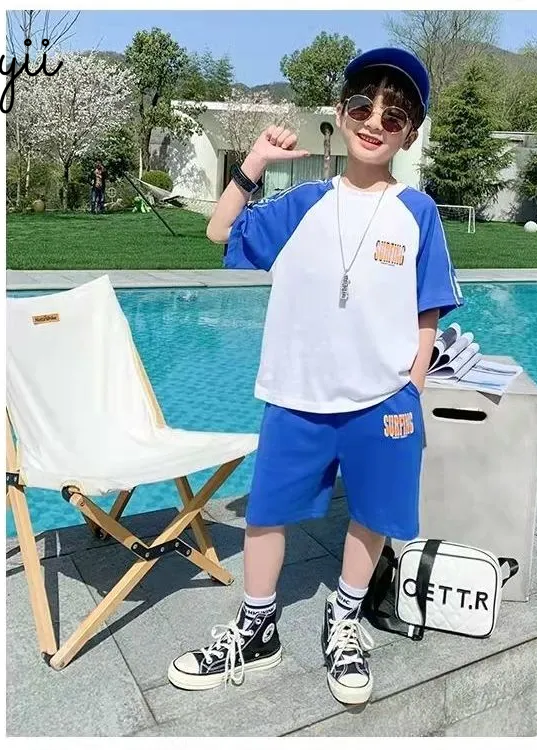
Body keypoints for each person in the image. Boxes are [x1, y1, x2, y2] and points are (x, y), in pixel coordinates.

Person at [168, 47, 463, 705]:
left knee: (374, 514)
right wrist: (253, 164)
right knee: (267, 514)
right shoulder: (302, 203)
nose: (375, 121)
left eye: (395, 115)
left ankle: (345, 617)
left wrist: (413, 387)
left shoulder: (417, 212)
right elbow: (219, 229)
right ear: (341, 111)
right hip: (297, 395)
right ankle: (257, 628)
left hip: (382, 401)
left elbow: (428, 309)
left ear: (410, 132)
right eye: (362, 105)